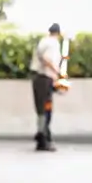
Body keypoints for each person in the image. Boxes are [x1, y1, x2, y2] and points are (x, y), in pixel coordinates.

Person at [29, 22, 64, 151]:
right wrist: (57, 72)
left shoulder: (43, 41)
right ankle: (43, 138)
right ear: (58, 34)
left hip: (40, 78)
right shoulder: (53, 43)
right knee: (46, 108)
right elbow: (46, 58)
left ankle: (41, 135)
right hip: (44, 78)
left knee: (42, 109)